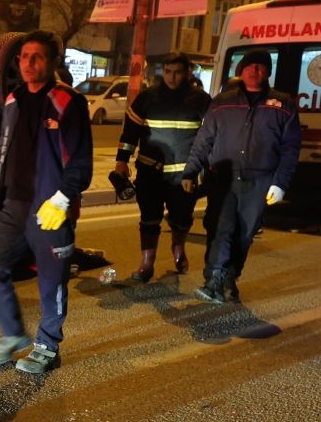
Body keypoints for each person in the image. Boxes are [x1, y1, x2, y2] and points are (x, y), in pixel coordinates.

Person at [0, 30, 92, 374]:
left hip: (49, 209)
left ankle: (47, 347)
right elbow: (3, 146)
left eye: (37, 56)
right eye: (24, 56)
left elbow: (81, 162)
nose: (28, 63)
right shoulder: (14, 99)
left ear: (53, 62)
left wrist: (62, 199)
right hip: (13, 206)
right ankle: (13, 334)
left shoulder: (68, 102)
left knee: (52, 281)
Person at [182, 50, 300, 304]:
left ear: (268, 71)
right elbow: (204, 139)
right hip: (223, 177)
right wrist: (191, 170)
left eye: (260, 66)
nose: (254, 70)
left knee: (245, 233)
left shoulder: (283, 105)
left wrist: (280, 183)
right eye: (250, 66)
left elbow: (290, 148)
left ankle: (229, 278)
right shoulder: (222, 102)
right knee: (221, 228)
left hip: (259, 180)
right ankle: (214, 278)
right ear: (241, 70)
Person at [114, 52, 211, 282]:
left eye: (177, 72)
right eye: (168, 72)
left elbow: (210, 136)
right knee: (149, 217)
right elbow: (130, 132)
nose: (171, 77)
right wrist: (121, 161)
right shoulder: (148, 98)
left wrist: (207, 168)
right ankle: (147, 263)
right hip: (150, 171)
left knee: (181, 217)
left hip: (184, 175)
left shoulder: (201, 100)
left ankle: (178, 249)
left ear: (187, 73)